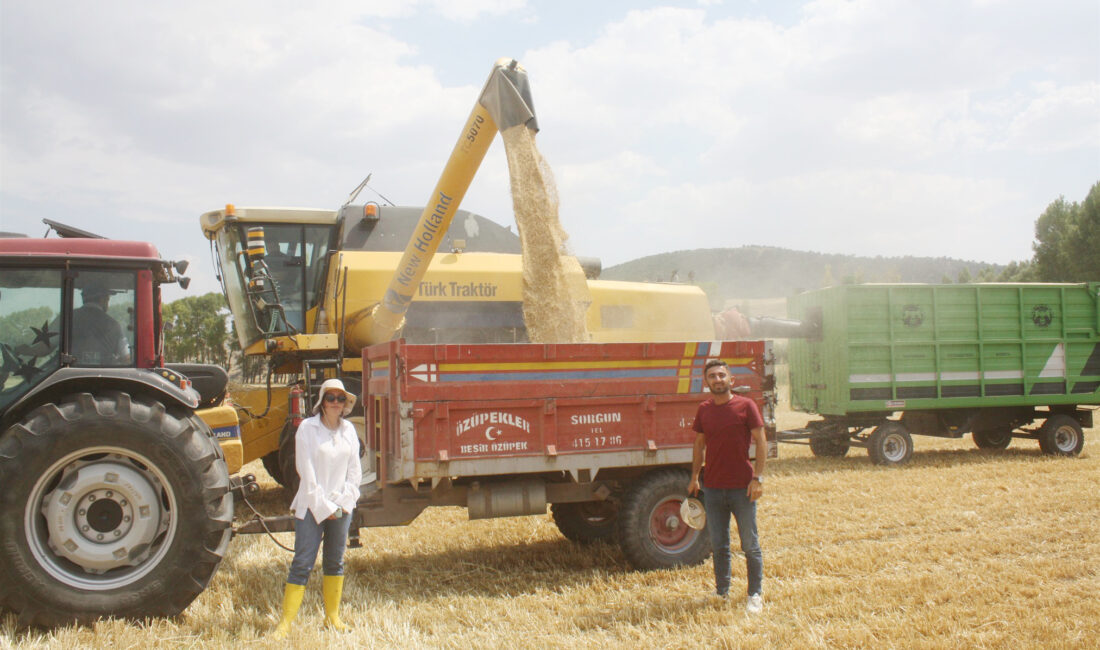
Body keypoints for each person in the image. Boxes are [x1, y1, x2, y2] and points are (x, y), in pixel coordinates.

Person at [273, 378, 362, 638]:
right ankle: (285, 623)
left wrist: (344, 503)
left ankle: (332, 617)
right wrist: (325, 507)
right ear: (322, 402)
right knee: (302, 563)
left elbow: (354, 472)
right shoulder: (307, 429)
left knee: (335, 562)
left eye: (340, 398)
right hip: (311, 506)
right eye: (330, 398)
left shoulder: (349, 430)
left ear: (346, 403)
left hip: (341, 506)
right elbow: (305, 471)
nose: (336, 402)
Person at [687, 358, 767, 613]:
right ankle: (722, 591)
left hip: (742, 488)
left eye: (722, 375)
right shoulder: (704, 409)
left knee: (750, 545)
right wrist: (694, 477)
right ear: (706, 382)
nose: (718, 379)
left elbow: (761, 441)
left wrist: (758, 478)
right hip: (712, 488)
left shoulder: (746, 406)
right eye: (712, 376)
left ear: (731, 379)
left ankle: (755, 595)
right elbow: (699, 444)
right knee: (719, 545)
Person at [71, 285, 130, 365]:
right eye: (108, 299)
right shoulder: (113, 325)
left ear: (83, 298)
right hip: (105, 372)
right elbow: (126, 358)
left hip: (70, 371)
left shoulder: (66, 318)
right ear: (103, 299)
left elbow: (52, 343)